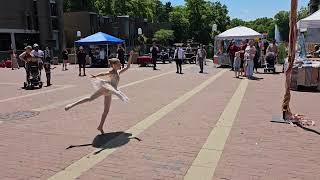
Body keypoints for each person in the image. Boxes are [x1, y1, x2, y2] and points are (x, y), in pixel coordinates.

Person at [65, 52, 135, 134]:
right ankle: (71, 105)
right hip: (106, 88)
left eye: (120, 63)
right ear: (114, 65)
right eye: (118, 63)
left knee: (106, 110)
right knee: (90, 98)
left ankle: (100, 126)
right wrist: (96, 76)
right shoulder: (112, 71)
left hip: (111, 91)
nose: (120, 64)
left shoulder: (118, 72)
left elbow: (128, 66)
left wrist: (130, 56)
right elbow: (104, 73)